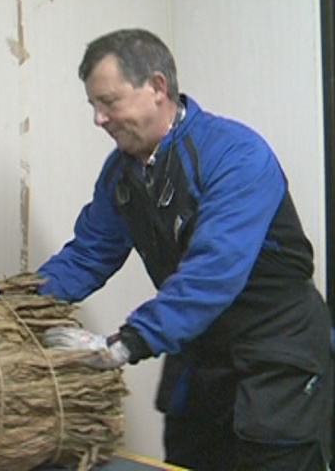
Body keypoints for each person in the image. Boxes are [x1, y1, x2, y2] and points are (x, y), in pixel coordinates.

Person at [37, 29, 333, 470]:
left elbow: (212, 272)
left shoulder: (235, 154)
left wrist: (126, 343)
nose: (99, 119)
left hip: (276, 353)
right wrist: (14, 301)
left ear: (157, 88)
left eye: (109, 102)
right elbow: (88, 254)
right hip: (200, 358)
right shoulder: (121, 172)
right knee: (191, 459)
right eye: (93, 106)